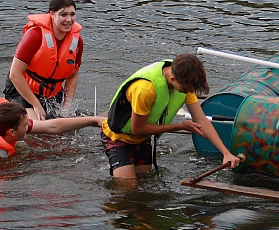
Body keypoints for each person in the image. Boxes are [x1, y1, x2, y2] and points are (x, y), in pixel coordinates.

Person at [100, 54, 240, 183]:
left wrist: (225, 153)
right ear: (173, 79)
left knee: (144, 183)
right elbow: (137, 128)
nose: (188, 92)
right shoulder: (146, 89)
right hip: (118, 137)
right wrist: (179, 126)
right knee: (128, 186)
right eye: (185, 89)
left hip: (143, 139)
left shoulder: (185, 78)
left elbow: (201, 121)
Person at [5, 0, 83, 121]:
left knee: (64, 126)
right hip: (22, 93)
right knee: (35, 125)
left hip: (52, 96)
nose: (69, 19)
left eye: (72, 14)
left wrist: (67, 106)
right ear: (52, 14)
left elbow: (73, 75)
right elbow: (14, 74)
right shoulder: (35, 35)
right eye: (63, 14)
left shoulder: (77, 41)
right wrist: (36, 105)